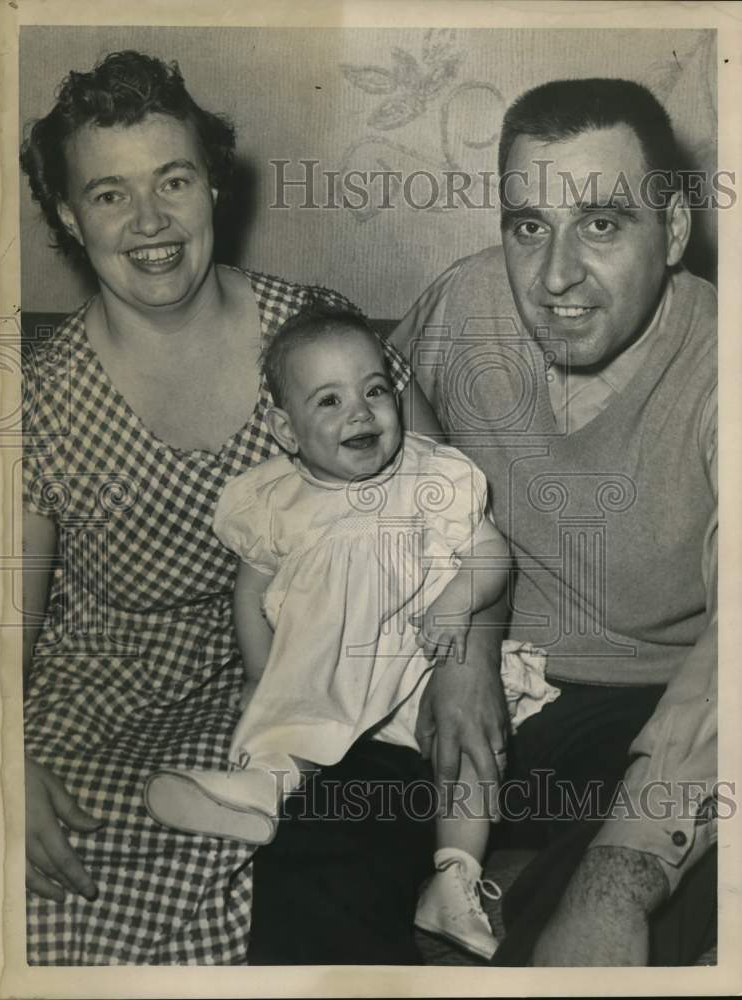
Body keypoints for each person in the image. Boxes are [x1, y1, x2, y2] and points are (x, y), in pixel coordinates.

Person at [19, 50, 453, 965]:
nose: (151, 222)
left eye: (173, 179)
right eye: (108, 194)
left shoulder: (318, 337)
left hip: (296, 688)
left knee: (293, 909)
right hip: (96, 704)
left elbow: (449, 510)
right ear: (66, 214)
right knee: (42, 908)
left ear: (212, 181)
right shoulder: (38, 397)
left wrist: (471, 660)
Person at [391, 77, 718, 966]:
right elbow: (373, 454)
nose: (555, 276)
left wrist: (616, 884)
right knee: (296, 852)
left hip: (644, 711)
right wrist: (460, 649)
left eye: (602, 224)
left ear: (675, 233)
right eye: (528, 226)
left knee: (656, 897)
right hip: (472, 684)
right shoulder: (464, 306)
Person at [143, 305, 529, 959]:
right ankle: (266, 781)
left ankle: (454, 877)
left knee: (467, 751)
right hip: (325, 671)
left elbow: (492, 554)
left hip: (423, 675)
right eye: (328, 400)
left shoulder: (431, 478)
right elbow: (252, 590)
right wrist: (259, 674)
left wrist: (457, 602)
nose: (360, 412)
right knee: (296, 693)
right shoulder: (272, 501)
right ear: (284, 429)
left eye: (374, 390)